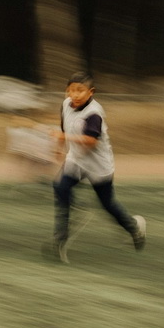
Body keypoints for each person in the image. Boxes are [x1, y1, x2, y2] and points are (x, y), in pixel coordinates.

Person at [47, 73, 145, 263]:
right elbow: (63, 129)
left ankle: (134, 227)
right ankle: (61, 238)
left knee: (107, 204)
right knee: (60, 187)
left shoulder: (94, 113)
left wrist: (64, 139)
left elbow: (91, 141)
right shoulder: (66, 104)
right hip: (76, 159)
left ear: (90, 92)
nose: (75, 94)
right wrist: (58, 149)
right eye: (71, 90)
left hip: (98, 164)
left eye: (80, 90)